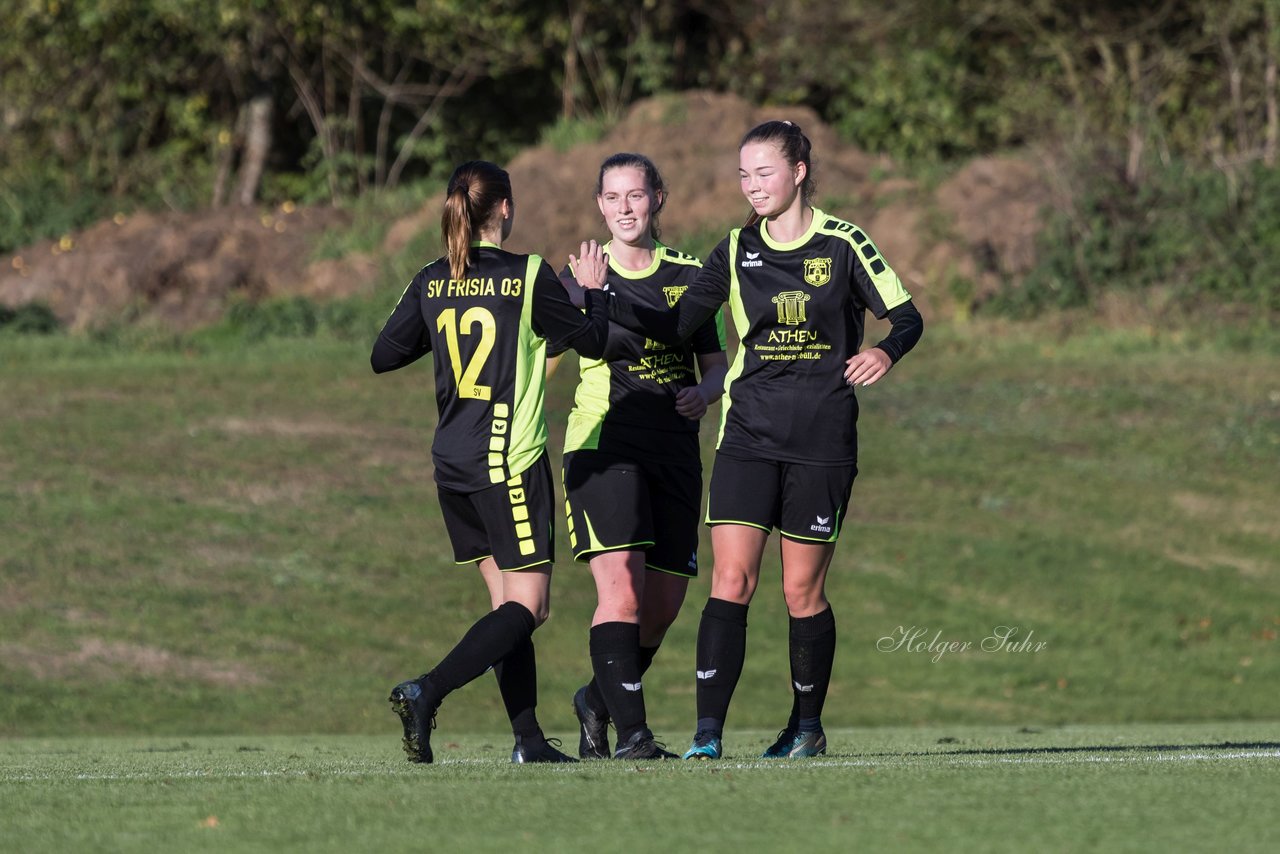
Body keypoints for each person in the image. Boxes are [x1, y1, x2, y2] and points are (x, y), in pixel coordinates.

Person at [574, 121, 924, 760]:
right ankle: (707, 738)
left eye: (764, 172)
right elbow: (677, 324)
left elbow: (907, 316)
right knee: (729, 582)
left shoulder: (845, 243)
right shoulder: (734, 248)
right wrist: (606, 297)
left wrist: (885, 350)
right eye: (743, 175)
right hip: (746, 436)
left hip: (822, 438)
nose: (752, 186)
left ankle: (806, 727)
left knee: (801, 592)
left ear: (797, 172)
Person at [371, 160, 612, 764]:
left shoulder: (431, 277)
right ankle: (427, 690)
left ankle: (529, 742)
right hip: (507, 463)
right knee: (530, 607)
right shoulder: (528, 273)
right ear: (504, 207)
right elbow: (593, 342)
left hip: (452, 463)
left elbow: (383, 354)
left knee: (507, 607)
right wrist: (594, 293)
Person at [559, 153, 728, 760]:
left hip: (675, 451)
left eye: (636, 194)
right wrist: (585, 295)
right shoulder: (580, 275)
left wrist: (704, 395)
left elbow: (716, 366)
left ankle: (597, 701)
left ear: (659, 197)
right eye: (612, 197)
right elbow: (548, 348)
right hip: (605, 445)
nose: (624, 207)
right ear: (600, 205)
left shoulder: (689, 273)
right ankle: (634, 737)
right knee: (622, 595)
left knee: (660, 610)